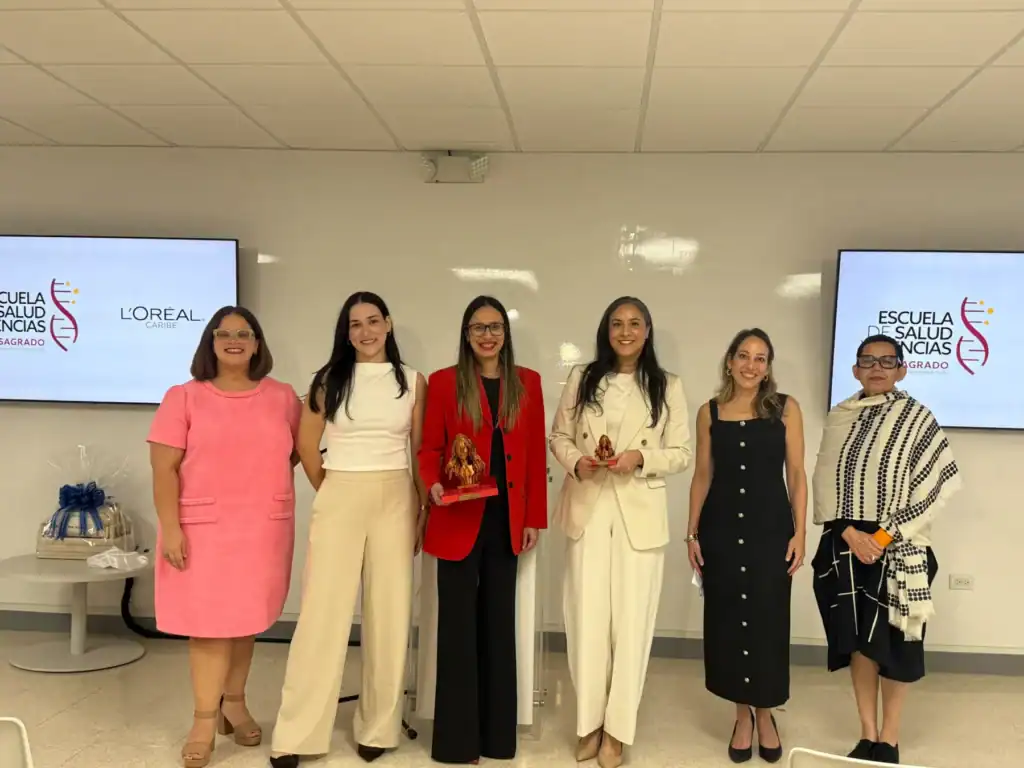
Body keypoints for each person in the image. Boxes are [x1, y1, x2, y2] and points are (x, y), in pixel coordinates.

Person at [270, 292, 428, 768]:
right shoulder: (328, 381)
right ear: (346, 332)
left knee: (390, 614)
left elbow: (419, 450)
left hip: (396, 497)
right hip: (340, 491)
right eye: (355, 324)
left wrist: (421, 510)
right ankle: (297, 733)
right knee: (322, 614)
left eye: (373, 321)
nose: (365, 332)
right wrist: (333, 489)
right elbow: (307, 445)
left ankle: (379, 726)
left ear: (388, 324)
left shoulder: (412, 381)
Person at [147, 306, 301, 768]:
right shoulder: (184, 397)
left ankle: (235, 703)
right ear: (210, 343)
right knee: (209, 627)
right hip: (204, 530)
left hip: (262, 529)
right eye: (224, 333)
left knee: (246, 620)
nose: (234, 340)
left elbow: (296, 451)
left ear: (257, 344)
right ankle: (203, 719)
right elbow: (163, 469)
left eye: (244, 333)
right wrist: (171, 528)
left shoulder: (283, 397)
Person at [549, 296, 692, 768]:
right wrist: (577, 462)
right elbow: (558, 437)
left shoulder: (667, 385)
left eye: (634, 323)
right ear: (606, 330)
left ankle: (617, 731)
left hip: (639, 513)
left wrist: (641, 458)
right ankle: (589, 722)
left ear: (647, 331)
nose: (625, 331)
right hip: (588, 504)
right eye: (617, 323)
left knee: (632, 626)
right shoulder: (582, 378)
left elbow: (682, 452)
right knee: (585, 619)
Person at [811, 334, 961, 765]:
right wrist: (847, 532)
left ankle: (890, 739)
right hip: (846, 545)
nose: (877, 368)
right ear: (855, 370)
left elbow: (933, 486)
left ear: (902, 370)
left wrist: (880, 537)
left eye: (887, 361)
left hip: (899, 546)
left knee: (896, 645)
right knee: (859, 642)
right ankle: (867, 733)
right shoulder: (840, 416)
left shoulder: (917, 418)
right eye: (868, 360)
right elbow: (824, 482)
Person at [417, 295, 548, 764]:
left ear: (505, 334)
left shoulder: (528, 383)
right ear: (466, 334)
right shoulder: (443, 382)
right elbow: (429, 449)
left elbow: (534, 455)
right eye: (478, 328)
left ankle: (496, 739)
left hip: (506, 521)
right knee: (456, 630)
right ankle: (458, 743)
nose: (487, 336)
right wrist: (432, 484)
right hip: (456, 517)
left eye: (495, 327)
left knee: (498, 627)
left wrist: (534, 518)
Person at [685, 328, 806, 764]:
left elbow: (796, 473)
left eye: (760, 358)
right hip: (720, 531)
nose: (750, 365)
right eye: (743, 355)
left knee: (767, 620)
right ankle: (741, 715)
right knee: (729, 622)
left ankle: (766, 713)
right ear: (730, 361)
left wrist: (800, 532)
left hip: (771, 532)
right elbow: (702, 475)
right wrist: (692, 533)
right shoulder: (709, 412)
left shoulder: (785, 408)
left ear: (768, 367)